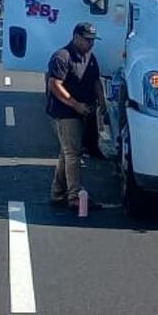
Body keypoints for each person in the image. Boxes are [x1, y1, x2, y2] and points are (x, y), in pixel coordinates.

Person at [46, 22, 105, 209]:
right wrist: (75, 104)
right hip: (65, 112)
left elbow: (95, 80)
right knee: (73, 154)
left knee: (67, 153)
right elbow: (55, 85)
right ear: (76, 37)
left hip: (83, 110)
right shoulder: (62, 57)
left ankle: (57, 192)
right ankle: (74, 196)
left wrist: (102, 100)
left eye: (92, 41)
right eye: (87, 40)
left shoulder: (90, 57)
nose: (90, 44)